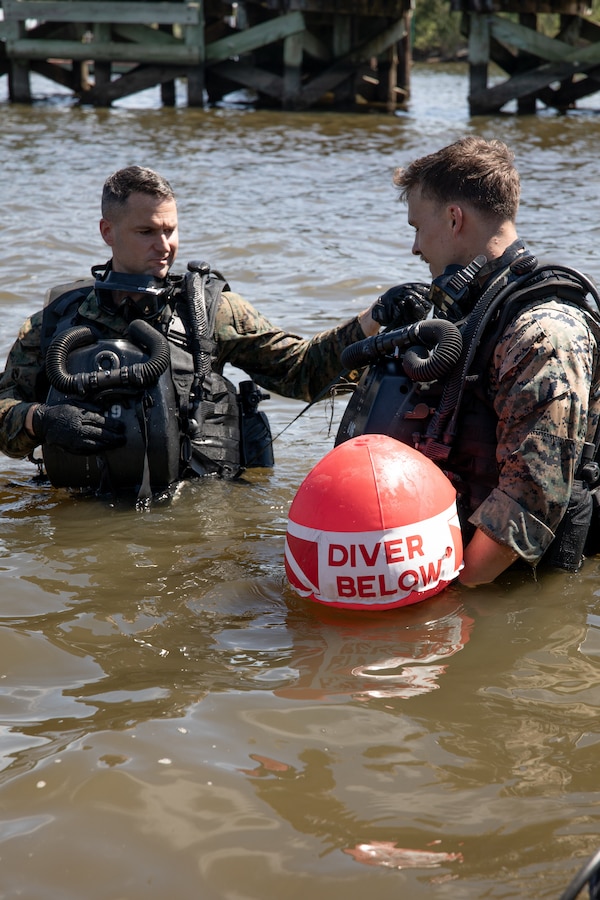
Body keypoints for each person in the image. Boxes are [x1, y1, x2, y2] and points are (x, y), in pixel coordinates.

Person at [0, 165, 380, 498]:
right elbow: (3, 407)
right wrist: (40, 420)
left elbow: (302, 371)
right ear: (107, 232)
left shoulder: (209, 311)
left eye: (170, 230)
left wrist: (373, 320)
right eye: (146, 231)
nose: (164, 247)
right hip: (81, 511)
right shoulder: (56, 320)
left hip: (189, 508)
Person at [338, 136, 600, 588]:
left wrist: (453, 594)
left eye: (417, 227)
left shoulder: (545, 331)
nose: (415, 247)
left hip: (503, 588)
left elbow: (529, 502)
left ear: (454, 218)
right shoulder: (475, 311)